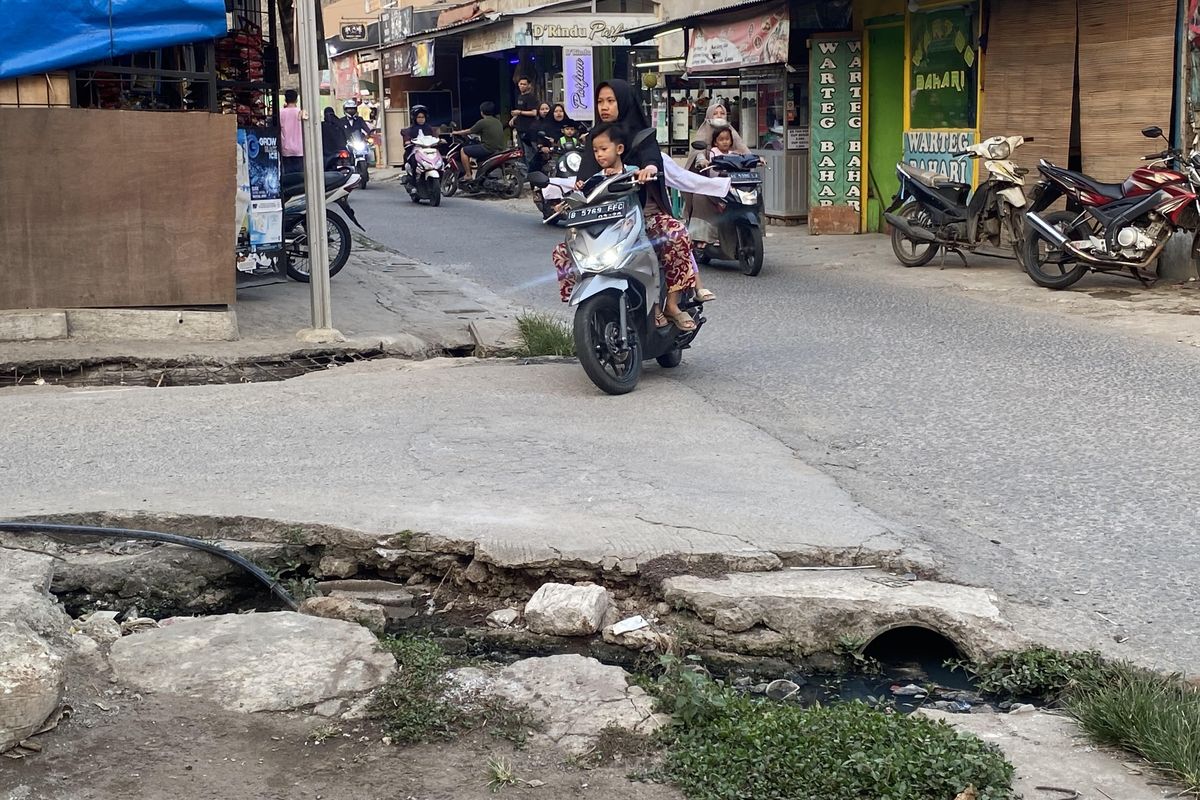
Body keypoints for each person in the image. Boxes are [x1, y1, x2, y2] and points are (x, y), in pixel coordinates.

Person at [551, 79, 711, 327]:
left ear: (623, 101)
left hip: (641, 215)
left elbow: (651, 159)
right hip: (603, 220)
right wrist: (574, 193)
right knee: (564, 251)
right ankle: (588, 306)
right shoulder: (595, 138)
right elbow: (584, 177)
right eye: (600, 101)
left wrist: (648, 169)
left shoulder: (641, 134)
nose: (604, 106)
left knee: (675, 234)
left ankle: (671, 303)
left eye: (610, 101)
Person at [684, 103, 749, 261]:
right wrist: (701, 159)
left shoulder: (731, 133)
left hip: (731, 180)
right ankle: (701, 238)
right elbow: (697, 152)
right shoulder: (702, 134)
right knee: (700, 197)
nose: (719, 116)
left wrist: (755, 159)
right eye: (716, 113)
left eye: (722, 113)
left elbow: (743, 149)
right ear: (709, 115)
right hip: (708, 179)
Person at [451, 101, 506, 181]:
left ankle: (468, 174)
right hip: (499, 149)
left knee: (463, 150)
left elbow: (469, 131)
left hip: (488, 148)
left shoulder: (482, 122)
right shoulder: (498, 122)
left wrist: (456, 132)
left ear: (482, 112)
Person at [510, 77, 539, 163]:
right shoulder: (520, 97)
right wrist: (514, 118)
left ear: (529, 85)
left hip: (528, 130)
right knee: (520, 153)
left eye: (524, 84)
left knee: (529, 154)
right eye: (520, 84)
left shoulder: (531, 97)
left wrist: (519, 112)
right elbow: (520, 111)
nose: (522, 86)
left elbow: (534, 113)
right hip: (519, 129)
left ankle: (531, 173)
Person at [279, 89, 306, 174]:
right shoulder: (301, 112)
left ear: (285, 99)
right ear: (296, 99)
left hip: (286, 149)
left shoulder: (281, 112)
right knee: (300, 176)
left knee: (288, 176)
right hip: (300, 149)